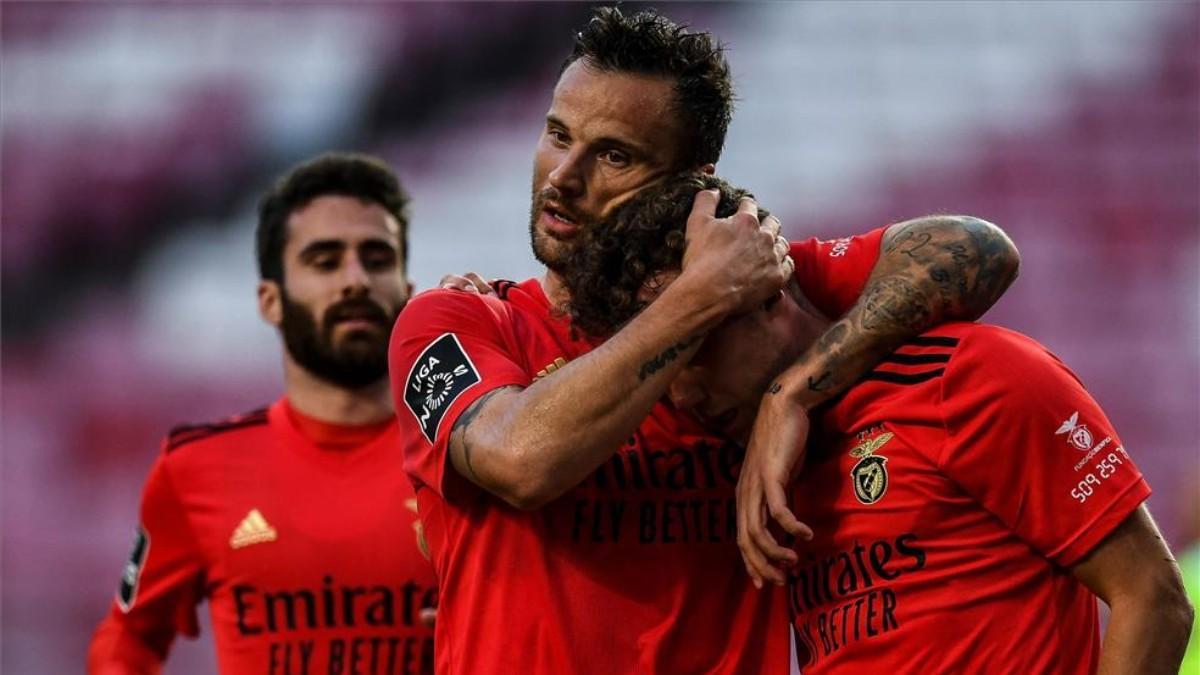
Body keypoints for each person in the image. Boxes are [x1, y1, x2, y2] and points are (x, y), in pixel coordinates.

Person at [389, 8, 1020, 674]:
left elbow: (978, 249)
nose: (562, 177)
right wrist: (701, 298)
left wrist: (790, 394)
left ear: (690, 177)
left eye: (613, 154)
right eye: (556, 134)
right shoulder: (456, 320)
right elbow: (521, 461)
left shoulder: (755, 300)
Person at [560, 172, 1194, 674]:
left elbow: (1155, 599)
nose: (680, 394)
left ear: (767, 293)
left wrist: (789, 395)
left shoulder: (969, 376)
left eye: (695, 347)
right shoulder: (746, 457)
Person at [89, 153, 437, 675]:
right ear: (270, 300)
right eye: (324, 261)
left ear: (409, 293)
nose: (356, 280)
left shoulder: (466, 459)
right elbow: (128, 635)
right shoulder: (197, 467)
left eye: (378, 258)